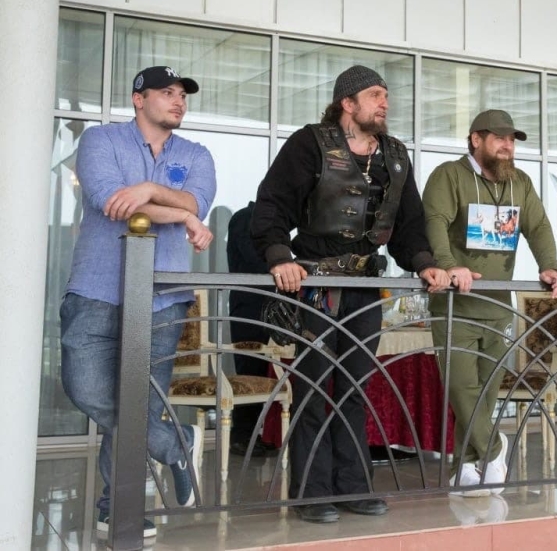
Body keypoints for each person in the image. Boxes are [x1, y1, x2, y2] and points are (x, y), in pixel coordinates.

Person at [251, 65, 450, 523]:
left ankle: (353, 486)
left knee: (355, 388)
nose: (385, 103)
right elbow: (272, 204)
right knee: (314, 387)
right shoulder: (309, 143)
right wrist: (280, 257)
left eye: (386, 95)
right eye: (375, 94)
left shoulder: (394, 155)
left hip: (363, 287)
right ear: (347, 102)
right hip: (315, 285)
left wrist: (425, 263)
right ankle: (310, 492)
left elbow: (409, 225)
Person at [60, 66, 217, 538]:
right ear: (138, 99)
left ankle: (118, 507)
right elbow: (112, 202)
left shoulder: (196, 154)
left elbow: (197, 203)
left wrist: (149, 191)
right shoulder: (100, 141)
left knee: (140, 401)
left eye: (182, 94)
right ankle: (174, 442)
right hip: (95, 290)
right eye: (167, 92)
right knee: (87, 389)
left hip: (162, 300)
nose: (178, 101)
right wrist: (180, 214)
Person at [423, 109, 557, 496]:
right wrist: (448, 265)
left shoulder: (519, 182)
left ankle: (466, 467)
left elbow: (538, 227)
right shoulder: (448, 176)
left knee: (486, 393)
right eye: (499, 138)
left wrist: (550, 265)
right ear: (476, 139)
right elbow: (435, 222)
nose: (508, 146)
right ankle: (494, 447)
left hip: (499, 306)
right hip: (455, 305)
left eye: (512, 140)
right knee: (461, 388)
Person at [226, 201, 276, 457]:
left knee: (263, 372)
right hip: (249, 307)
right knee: (249, 370)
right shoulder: (246, 218)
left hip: (263, 306)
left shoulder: (263, 222)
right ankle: (241, 437)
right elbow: (255, 261)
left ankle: (254, 434)